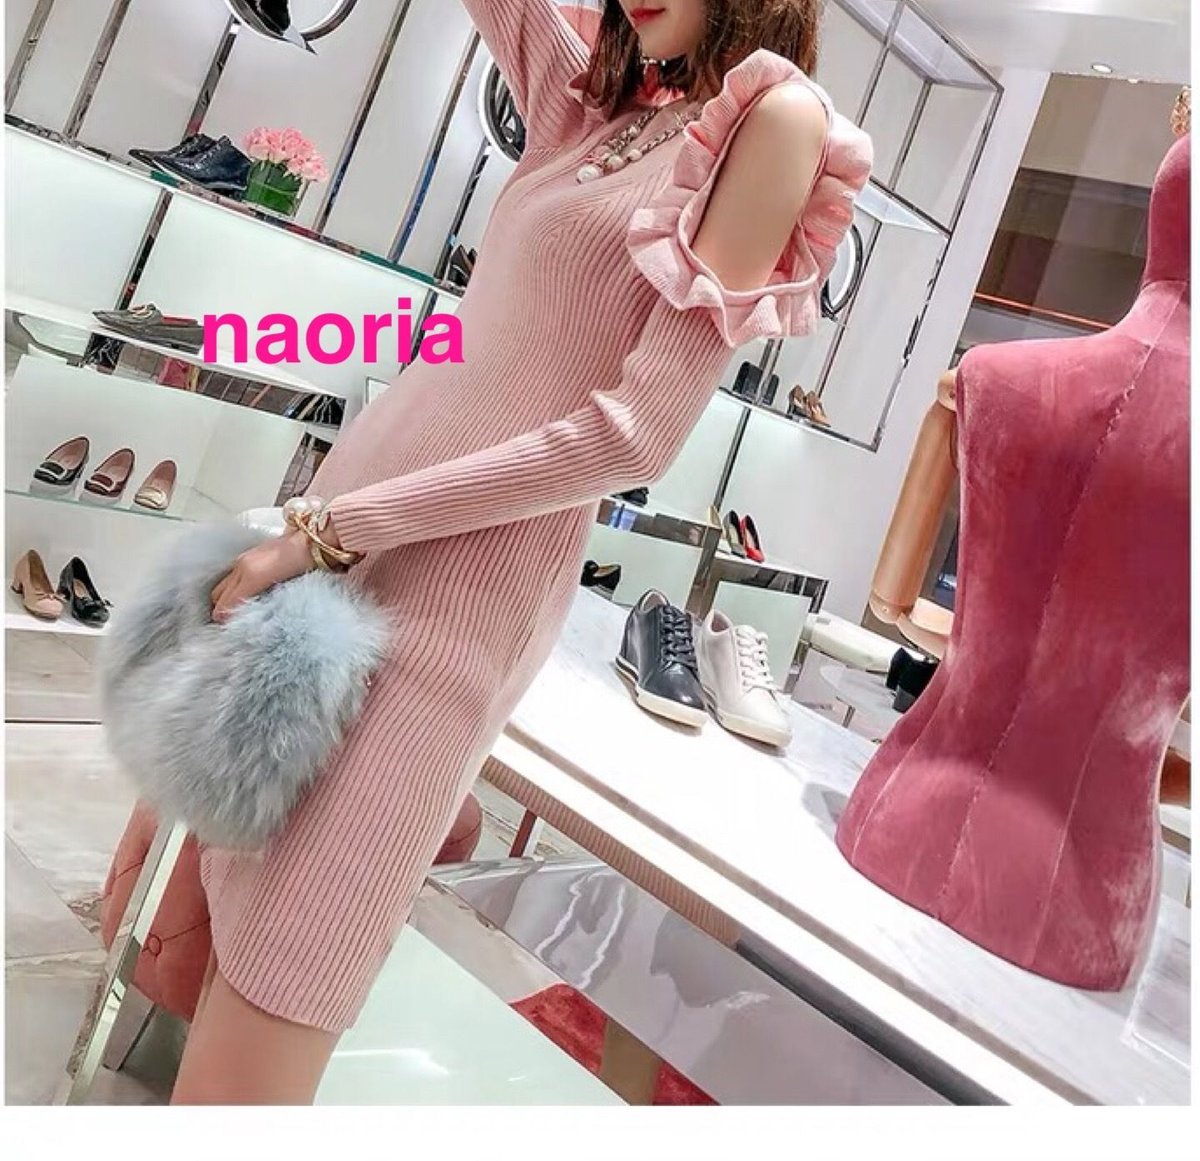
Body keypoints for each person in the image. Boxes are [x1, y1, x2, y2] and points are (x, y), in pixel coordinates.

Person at [177, 0, 871, 1103]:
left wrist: (332, 531)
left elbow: (633, 435)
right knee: (213, 939)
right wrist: (324, 529)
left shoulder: (774, 121)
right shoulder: (603, 109)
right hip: (334, 547)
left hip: (445, 599)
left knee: (278, 985)